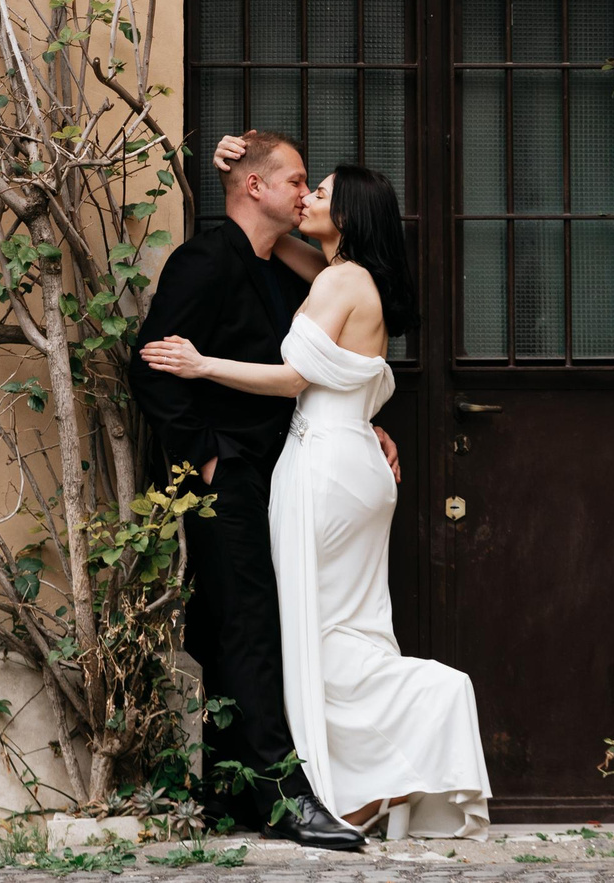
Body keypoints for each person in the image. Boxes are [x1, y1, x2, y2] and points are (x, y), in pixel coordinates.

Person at [143, 149, 492, 841]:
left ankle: (399, 738)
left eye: (319, 189)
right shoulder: (335, 272)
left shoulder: (342, 282)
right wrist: (237, 149)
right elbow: (284, 250)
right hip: (346, 455)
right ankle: (357, 785)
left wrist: (201, 362)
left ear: (348, 213)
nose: (306, 196)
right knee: (329, 628)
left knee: (308, 629)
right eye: (299, 181)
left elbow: (296, 375)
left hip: (325, 463)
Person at [127, 130, 369, 850]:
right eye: (296, 179)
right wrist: (204, 461)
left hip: (275, 475)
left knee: (235, 625)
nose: (305, 192)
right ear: (256, 187)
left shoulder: (278, 267)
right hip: (224, 477)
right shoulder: (205, 258)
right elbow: (151, 368)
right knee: (250, 625)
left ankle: (231, 790)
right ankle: (283, 799)